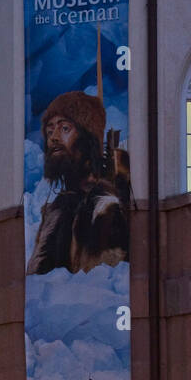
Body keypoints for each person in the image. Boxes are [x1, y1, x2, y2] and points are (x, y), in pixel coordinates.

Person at [26, 91, 130, 276]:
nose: (54, 137)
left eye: (64, 128)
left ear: (87, 137)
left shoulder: (106, 205)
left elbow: (105, 277)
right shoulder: (58, 207)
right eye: (50, 131)